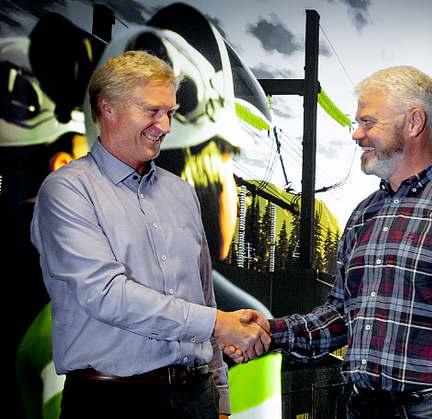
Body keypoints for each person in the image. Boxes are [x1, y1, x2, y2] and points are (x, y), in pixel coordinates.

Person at [226, 65, 432, 418]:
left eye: (368, 122)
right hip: (361, 408)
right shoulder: (363, 215)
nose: (356, 135)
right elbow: (340, 316)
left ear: (414, 122)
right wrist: (270, 331)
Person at [30, 50, 271, 419]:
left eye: (171, 113)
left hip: (196, 398)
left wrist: (220, 397)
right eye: (152, 111)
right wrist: (220, 323)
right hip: (111, 402)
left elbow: (202, 296)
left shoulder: (180, 193)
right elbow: (108, 296)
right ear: (106, 107)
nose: (166, 126)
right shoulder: (66, 190)